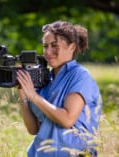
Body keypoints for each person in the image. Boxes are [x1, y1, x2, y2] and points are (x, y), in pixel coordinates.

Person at [16, 21, 102, 157]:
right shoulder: (44, 80)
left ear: (72, 47)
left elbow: (67, 119)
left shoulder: (80, 76)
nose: (48, 52)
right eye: (45, 46)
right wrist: (24, 95)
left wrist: (34, 96)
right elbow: (33, 129)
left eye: (54, 46)